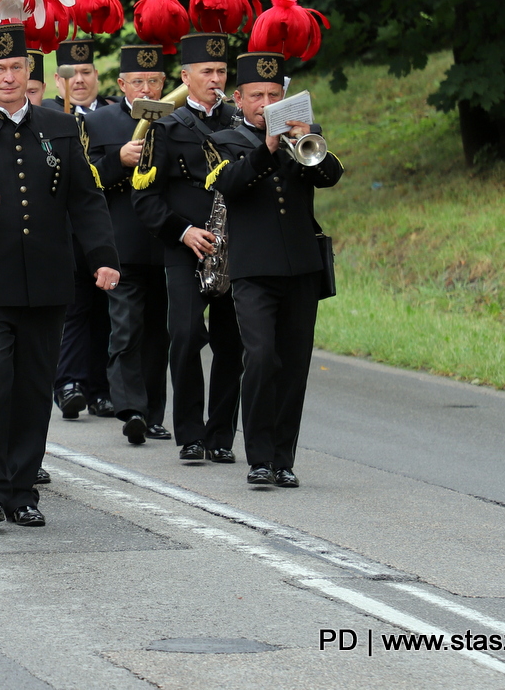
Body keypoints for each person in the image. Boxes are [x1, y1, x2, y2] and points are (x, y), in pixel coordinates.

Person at [0, 22, 119, 526]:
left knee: (34, 388)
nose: (7, 77)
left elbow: (86, 200)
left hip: (49, 282)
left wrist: (102, 257)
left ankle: (22, 489)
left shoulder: (59, 127)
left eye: (15, 68)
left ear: (30, 71)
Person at [211, 51, 343, 487]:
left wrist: (309, 144)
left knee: (294, 364)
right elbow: (229, 185)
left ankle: (283, 460)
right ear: (240, 98)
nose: (265, 103)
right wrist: (267, 150)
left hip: (301, 268)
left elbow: (330, 176)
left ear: (285, 97)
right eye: (256, 96)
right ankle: (259, 458)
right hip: (253, 271)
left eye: (273, 95)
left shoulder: (306, 135)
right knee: (262, 356)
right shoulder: (226, 140)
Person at [132, 31, 244, 465]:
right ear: (185, 76)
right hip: (187, 248)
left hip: (234, 249)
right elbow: (145, 197)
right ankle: (191, 434)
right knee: (183, 336)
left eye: (221, 71)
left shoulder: (239, 122)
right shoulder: (165, 128)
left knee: (231, 344)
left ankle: (220, 437)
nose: (215, 79)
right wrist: (183, 232)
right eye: (206, 71)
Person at [86, 42, 174, 445]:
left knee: (159, 333)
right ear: (122, 83)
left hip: (167, 242)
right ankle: (131, 409)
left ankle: (154, 412)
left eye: (153, 81)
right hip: (122, 242)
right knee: (125, 329)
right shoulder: (100, 122)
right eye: (137, 81)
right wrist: (117, 161)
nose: (146, 89)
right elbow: (86, 185)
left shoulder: (178, 120)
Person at [46, 39, 122, 421]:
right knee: (73, 309)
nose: (79, 80)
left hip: (101, 227)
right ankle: (69, 383)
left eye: (87, 72)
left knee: (103, 311)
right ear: (58, 82)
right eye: (70, 74)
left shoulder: (111, 115)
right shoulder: (46, 117)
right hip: (61, 229)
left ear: (97, 76)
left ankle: (100, 388)